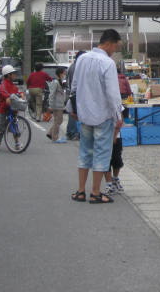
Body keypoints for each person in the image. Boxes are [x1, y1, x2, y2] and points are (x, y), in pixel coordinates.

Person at [69, 30, 123, 205]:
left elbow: (74, 86)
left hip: (84, 114)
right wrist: (118, 115)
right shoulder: (107, 63)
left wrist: (73, 108)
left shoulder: (82, 59)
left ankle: (80, 191)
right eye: (115, 46)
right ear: (109, 43)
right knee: (101, 153)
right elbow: (113, 93)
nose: (114, 50)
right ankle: (95, 192)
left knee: (85, 152)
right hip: (103, 115)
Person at [0, 65, 25, 153]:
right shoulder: (3, 84)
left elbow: (17, 91)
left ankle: (17, 144)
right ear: (8, 75)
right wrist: (8, 97)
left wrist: (21, 93)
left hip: (13, 108)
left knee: (14, 125)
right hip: (4, 108)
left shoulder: (12, 84)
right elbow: (3, 92)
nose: (15, 75)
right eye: (13, 73)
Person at [64, 51, 85, 140]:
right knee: (74, 114)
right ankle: (73, 133)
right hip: (75, 94)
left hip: (71, 93)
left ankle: (70, 132)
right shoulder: (77, 67)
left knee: (71, 114)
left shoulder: (72, 66)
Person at [47, 67, 68, 143]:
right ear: (60, 74)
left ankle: (50, 133)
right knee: (58, 121)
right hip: (56, 105)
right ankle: (55, 137)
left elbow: (64, 91)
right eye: (64, 73)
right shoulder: (55, 82)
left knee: (58, 120)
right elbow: (52, 94)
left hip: (60, 104)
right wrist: (50, 105)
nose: (65, 74)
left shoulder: (61, 81)